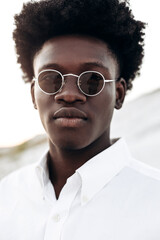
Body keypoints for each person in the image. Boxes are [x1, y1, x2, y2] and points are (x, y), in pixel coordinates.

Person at [1, 0, 160, 239]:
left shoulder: (154, 203)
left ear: (118, 94)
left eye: (92, 80)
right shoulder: (6, 195)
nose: (69, 94)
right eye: (51, 79)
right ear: (33, 93)